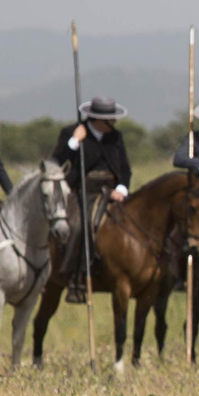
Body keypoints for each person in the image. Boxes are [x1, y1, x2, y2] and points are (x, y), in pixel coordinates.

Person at [51, 96, 133, 303]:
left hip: (112, 192)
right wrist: (74, 142)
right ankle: (75, 278)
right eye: (110, 119)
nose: (114, 123)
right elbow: (57, 161)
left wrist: (122, 188)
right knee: (80, 226)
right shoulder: (72, 133)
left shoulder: (116, 137)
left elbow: (125, 169)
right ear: (98, 119)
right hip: (82, 191)